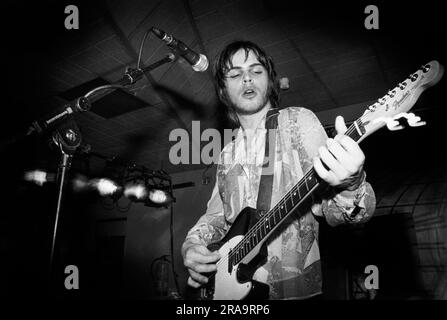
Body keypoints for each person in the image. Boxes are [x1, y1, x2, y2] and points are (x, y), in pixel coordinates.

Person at [181, 40, 376, 299]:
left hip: (293, 289)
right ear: (224, 90)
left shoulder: (297, 123)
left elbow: (332, 210)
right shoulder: (227, 154)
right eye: (236, 74)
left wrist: (350, 185)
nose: (247, 79)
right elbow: (216, 218)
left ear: (269, 80)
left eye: (256, 71)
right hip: (231, 292)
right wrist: (191, 245)